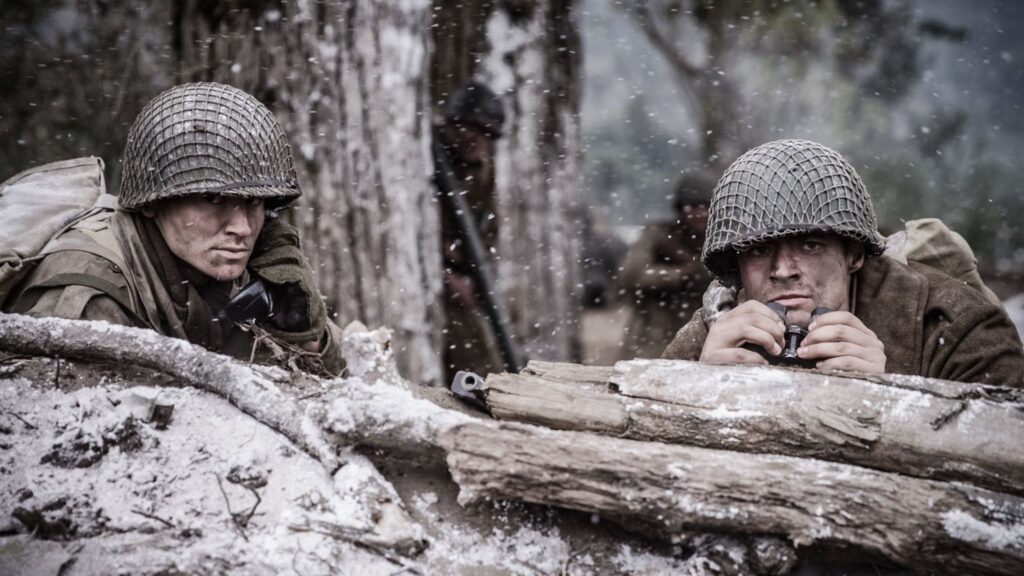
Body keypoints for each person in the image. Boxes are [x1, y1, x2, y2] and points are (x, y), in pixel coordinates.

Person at [5, 82, 344, 374]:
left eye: (253, 203)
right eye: (214, 199)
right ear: (152, 203)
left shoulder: (226, 264)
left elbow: (340, 401)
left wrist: (307, 337)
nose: (241, 227)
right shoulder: (90, 296)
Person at [662, 139, 1024, 387]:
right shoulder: (717, 327)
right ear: (736, 266)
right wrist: (698, 387)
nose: (783, 269)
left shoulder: (954, 326)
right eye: (758, 251)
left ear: (854, 255)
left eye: (811, 245)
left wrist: (891, 394)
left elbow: (1005, 458)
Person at [433, 82, 506, 381]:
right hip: (433, 282)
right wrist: (444, 273)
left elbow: (490, 226)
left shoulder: (481, 171)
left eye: (486, 133)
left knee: (483, 362)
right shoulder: (428, 158)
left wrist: (471, 274)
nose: (476, 139)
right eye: (470, 128)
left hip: (461, 278)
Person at [619, 172, 714, 359]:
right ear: (680, 209)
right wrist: (683, 275)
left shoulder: (721, 239)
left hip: (704, 333)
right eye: (693, 206)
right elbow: (631, 275)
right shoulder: (658, 235)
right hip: (655, 332)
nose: (699, 213)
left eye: (706, 206)